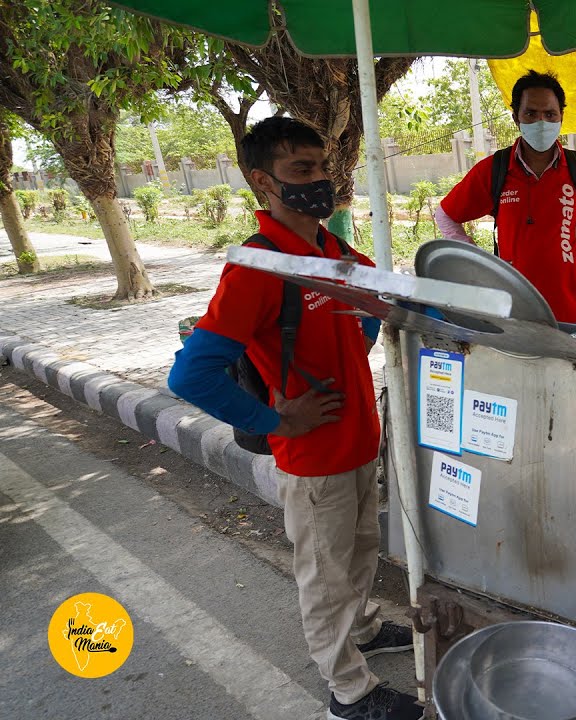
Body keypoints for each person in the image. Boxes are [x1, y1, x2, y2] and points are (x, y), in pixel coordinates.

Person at [168, 117, 420, 720]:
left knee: (359, 551)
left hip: (358, 438)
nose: (319, 182)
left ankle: (362, 629)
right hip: (313, 457)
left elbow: (374, 298)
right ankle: (347, 692)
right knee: (326, 575)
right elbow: (190, 374)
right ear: (263, 182)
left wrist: (373, 322)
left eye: (322, 168)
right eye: (301, 171)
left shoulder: (329, 248)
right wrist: (277, 421)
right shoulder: (258, 268)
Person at [435, 70, 576, 324]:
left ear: (561, 117)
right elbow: (445, 215)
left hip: (572, 313)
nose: (541, 123)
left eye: (549, 114)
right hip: (514, 315)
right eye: (531, 114)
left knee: (570, 366)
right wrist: (478, 263)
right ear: (516, 117)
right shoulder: (496, 170)